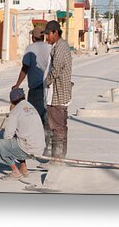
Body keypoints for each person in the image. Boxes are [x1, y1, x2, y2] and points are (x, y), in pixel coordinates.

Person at [0, 88, 45, 180]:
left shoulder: (15, 111)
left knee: (1, 144)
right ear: (24, 97)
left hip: (29, 148)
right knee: (19, 138)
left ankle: (15, 172)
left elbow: (7, 136)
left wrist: (11, 112)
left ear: (12, 102)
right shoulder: (31, 106)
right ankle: (23, 168)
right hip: (39, 146)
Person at [43, 20, 72, 159]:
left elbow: (56, 70)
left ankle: (57, 159)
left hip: (57, 94)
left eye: (48, 34)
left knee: (57, 128)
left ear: (55, 32)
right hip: (58, 93)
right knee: (60, 127)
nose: (46, 38)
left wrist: (46, 82)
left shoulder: (60, 47)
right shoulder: (58, 46)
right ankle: (58, 158)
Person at [11, 26, 52, 120]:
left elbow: (25, 68)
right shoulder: (49, 48)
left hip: (36, 88)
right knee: (46, 114)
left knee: (35, 116)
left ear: (33, 37)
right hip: (48, 86)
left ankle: (39, 133)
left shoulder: (30, 48)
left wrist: (17, 85)